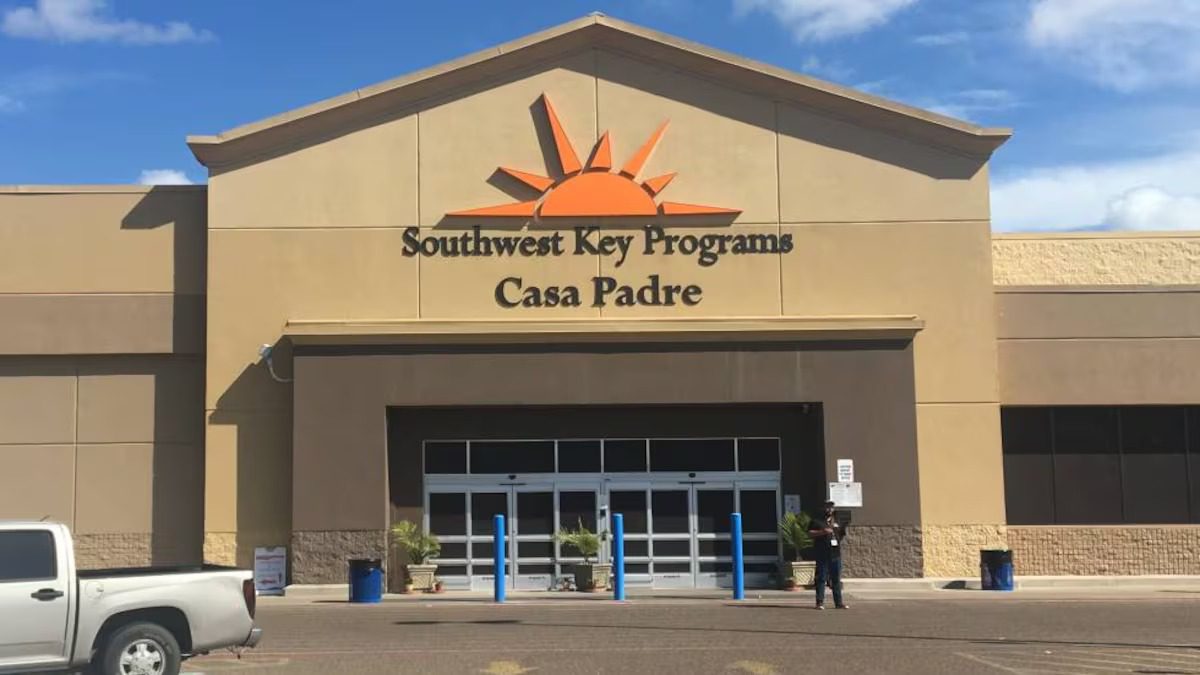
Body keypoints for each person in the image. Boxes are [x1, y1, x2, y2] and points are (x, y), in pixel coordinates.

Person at [808, 500, 848, 610]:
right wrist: (822, 532)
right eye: (827, 507)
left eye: (831, 507)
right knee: (821, 578)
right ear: (823, 508)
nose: (829, 509)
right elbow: (810, 533)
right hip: (822, 554)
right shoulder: (817, 520)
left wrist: (836, 540)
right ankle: (819, 603)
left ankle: (839, 603)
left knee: (836, 579)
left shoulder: (837, 520)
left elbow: (841, 534)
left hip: (835, 554)